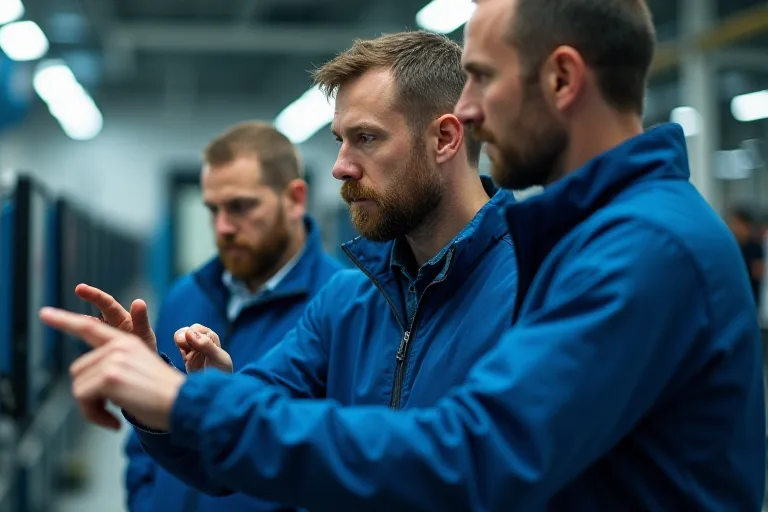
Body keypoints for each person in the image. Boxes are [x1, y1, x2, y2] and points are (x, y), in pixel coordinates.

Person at [48, 30, 521, 510]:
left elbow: (461, 467)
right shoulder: (346, 302)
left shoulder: (535, 292)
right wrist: (163, 392)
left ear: (444, 138)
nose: (339, 167)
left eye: (366, 139)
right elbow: (221, 457)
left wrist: (196, 403)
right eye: (340, 141)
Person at [115, 121, 344, 512]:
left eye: (240, 206)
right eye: (213, 209)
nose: (222, 227)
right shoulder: (186, 295)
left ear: (295, 199)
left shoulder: (342, 305)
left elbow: (335, 463)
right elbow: (144, 442)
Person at [727, 208, 764, 305]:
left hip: (751, 298)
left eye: (737, 224)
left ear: (747, 226)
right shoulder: (730, 247)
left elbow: (758, 274)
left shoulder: (756, 248)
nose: (733, 228)